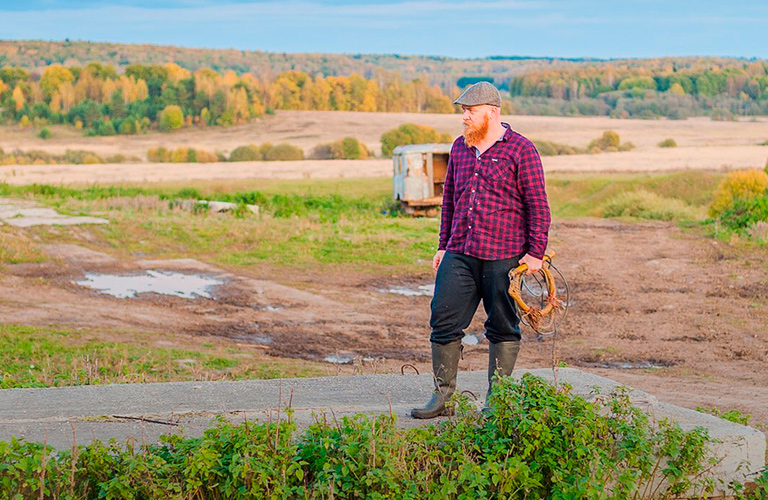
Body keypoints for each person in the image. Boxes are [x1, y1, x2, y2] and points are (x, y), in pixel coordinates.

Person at [411, 81, 551, 419]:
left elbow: (538, 205)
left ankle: (497, 401)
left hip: (504, 254)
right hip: (460, 251)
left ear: (492, 112)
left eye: (470, 112)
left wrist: (535, 253)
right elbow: (450, 200)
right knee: (443, 320)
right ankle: (442, 398)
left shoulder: (521, 150)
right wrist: (443, 245)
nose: (464, 118)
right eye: (463, 111)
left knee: (503, 326)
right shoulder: (460, 148)